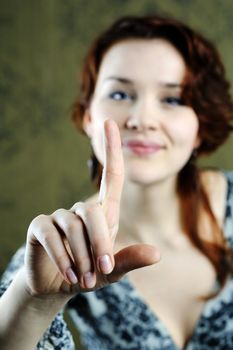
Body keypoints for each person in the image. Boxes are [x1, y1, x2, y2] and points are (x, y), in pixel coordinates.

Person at [0, 14, 233, 350]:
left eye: (173, 99)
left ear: (200, 126)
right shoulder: (61, 248)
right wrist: (34, 302)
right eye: (121, 95)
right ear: (88, 116)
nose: (142, 120)